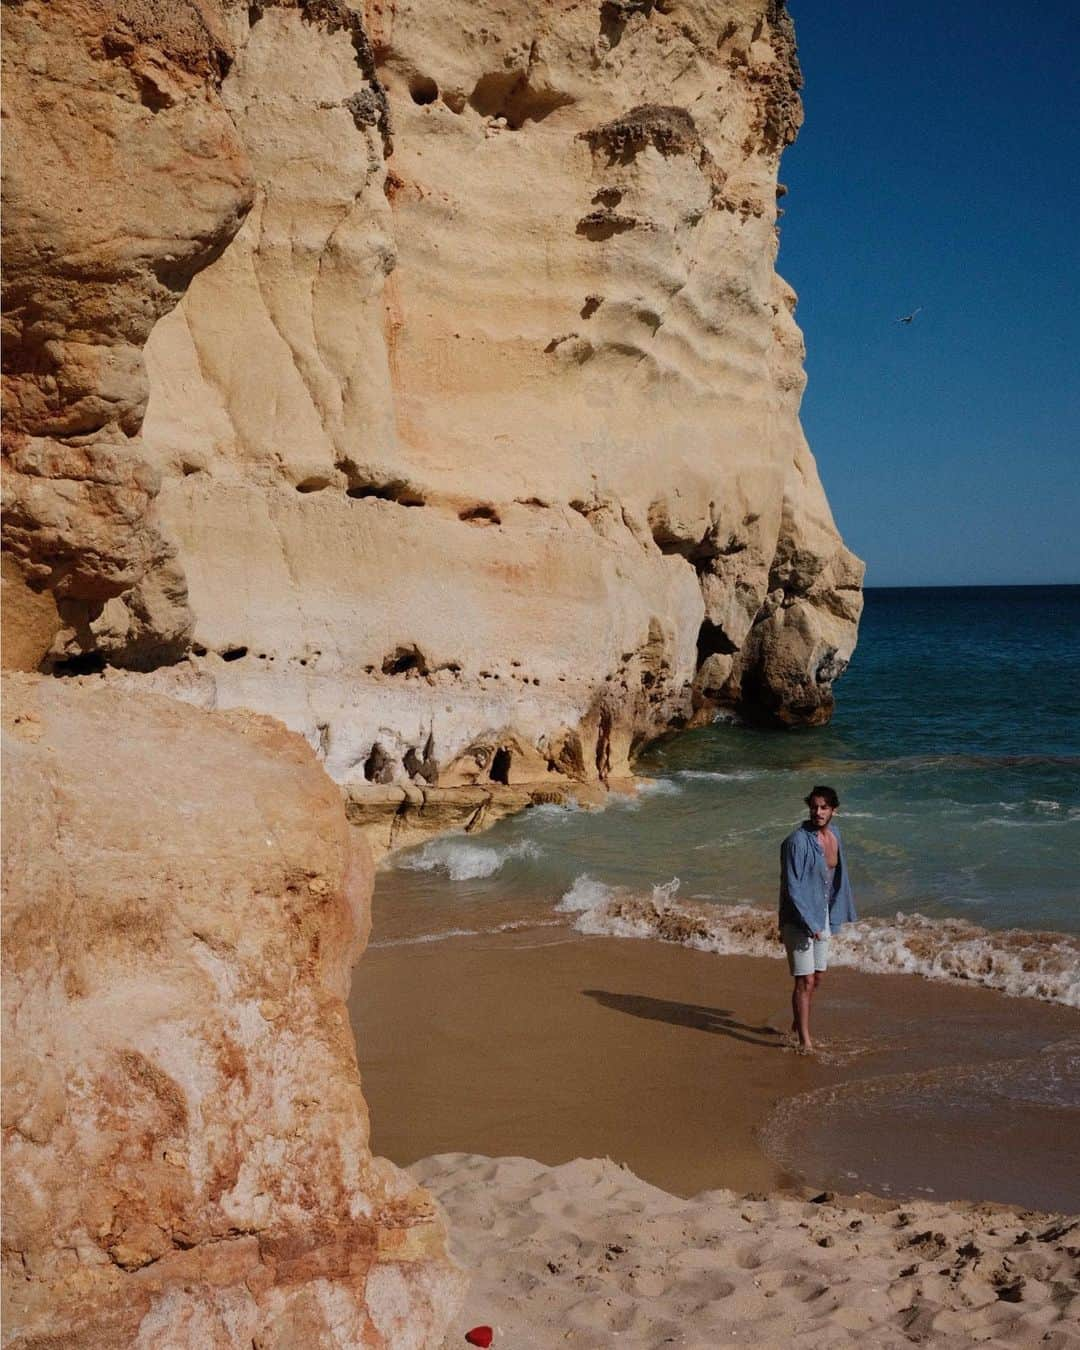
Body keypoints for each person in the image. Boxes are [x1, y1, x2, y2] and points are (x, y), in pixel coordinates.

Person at [778, 786, 856, 1052]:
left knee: (818, 976)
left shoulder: (835, 835)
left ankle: (795, 1026)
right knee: (805, 980)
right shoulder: (796, 842)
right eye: (814, 807)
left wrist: (838, 912)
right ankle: (805, 1042)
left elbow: (837, 879)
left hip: (822, 914)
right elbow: (792, 887)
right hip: (798, 918)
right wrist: (809, 922)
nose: (818, 812)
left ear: (834, 809)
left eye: (824, 807)